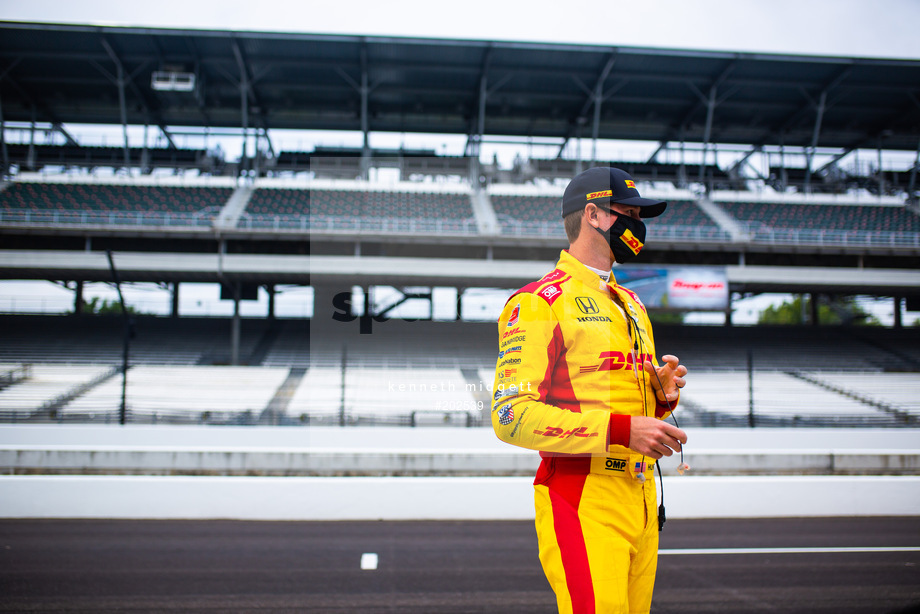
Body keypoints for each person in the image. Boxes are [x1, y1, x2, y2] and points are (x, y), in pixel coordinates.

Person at [491, 166, 688, 614]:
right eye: (628, 212)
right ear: (594, 215)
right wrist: (620, 431)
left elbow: (618, 399)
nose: (638, 225)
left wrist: (660, 393)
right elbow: (510, 416)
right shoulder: (539, 302)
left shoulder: (632, 303)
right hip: (582, 496)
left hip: (640, 495)